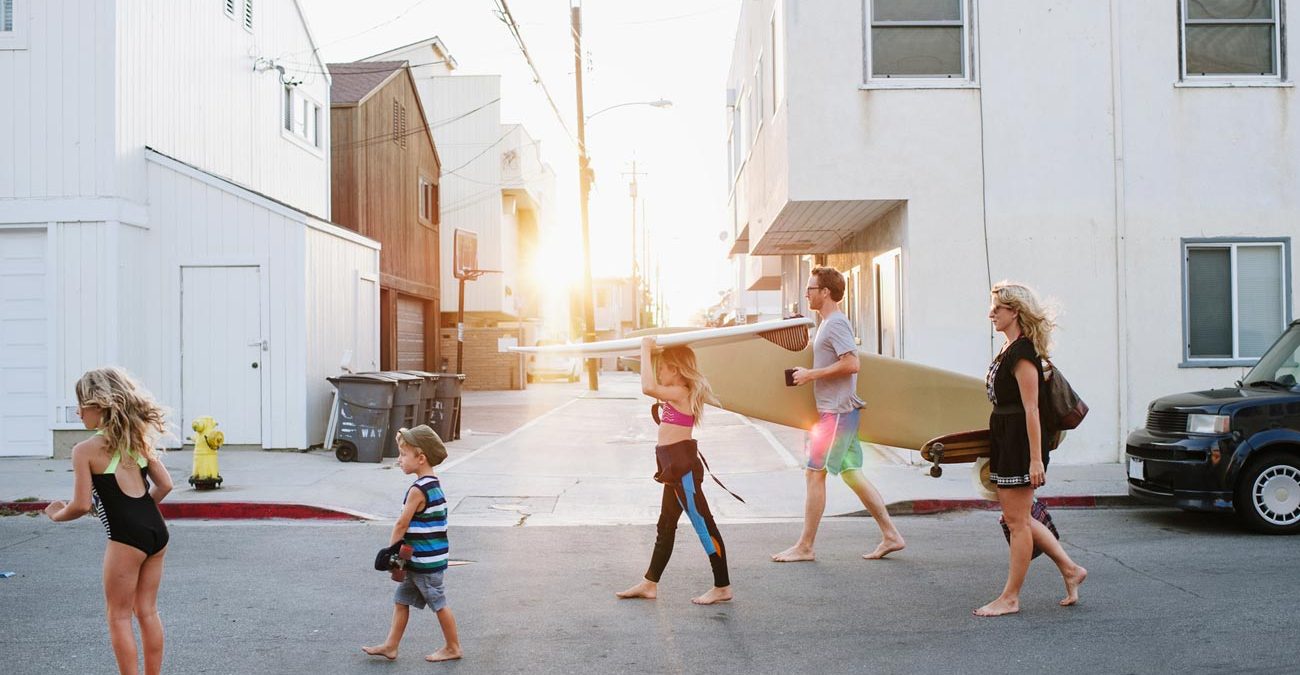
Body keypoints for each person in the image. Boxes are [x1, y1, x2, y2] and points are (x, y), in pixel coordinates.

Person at [44, 367, 174, 675]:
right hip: (157, 531)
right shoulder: (138, 440)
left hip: (127, 539)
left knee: (118, 616)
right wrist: (140, 513)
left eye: (81, 404)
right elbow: (166, 485)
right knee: (147, 610)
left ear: (99, 406)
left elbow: (79, 504)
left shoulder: (84, 450)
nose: (78, 412)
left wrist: (56, 515)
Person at [772, 266, 906, 563]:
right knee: (851, 473)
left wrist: (811, 375)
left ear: (826, 292)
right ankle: (891, 535)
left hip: (836, 415)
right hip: (839, 412)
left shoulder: (835, 324)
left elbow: (852, 364)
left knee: (814, 473)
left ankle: (805, 546)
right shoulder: (826, 324)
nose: (806, 293)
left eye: (811, 288)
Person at [975, 281, 1087, 617]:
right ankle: (1070, 569)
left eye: (998, 308)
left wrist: (1036, 459)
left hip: (1021, 443)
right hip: (1007, 439)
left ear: (1016, 312)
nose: (991, 313)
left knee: (1017, 522)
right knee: (1016, 517)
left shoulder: (1023, 353)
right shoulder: (1008, 350)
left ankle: (1010, 597)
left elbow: (1032, 408)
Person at [616, 337, 733, 605]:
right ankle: (649, 583)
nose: (659, 372)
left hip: (684, 473)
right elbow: (651, 383)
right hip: (673, 471)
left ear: (677, 371)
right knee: (666, 526)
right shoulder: (676, 392)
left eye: (663, 368)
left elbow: (647, 386)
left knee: (704, 524)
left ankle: (722, 586)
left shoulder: (681, 392)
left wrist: (645, 348)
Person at [363, 425, 463, 662]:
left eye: (403, 455)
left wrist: (390, 554)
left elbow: (401, 524)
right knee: (401, 601)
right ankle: (391, 646)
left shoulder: (418, 490)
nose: (399, 460)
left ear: (421, 458)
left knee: (438, 602)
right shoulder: (433, 483)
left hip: (424, 562)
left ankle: (453, 647)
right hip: (424, 559)